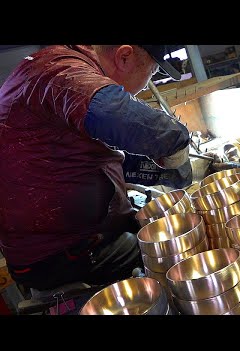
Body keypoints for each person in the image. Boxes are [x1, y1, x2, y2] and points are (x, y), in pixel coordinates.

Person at [0, 45, 191, 292]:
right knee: (170, 253)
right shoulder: (62, 72)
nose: (146, 85)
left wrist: (165, 172)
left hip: (65, 239)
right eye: (152, 72)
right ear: (124, 56)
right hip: (56, 253)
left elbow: (102, 158)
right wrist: (175, 141)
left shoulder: (58, 70)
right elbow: (111, 111)